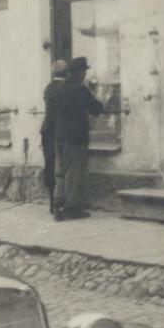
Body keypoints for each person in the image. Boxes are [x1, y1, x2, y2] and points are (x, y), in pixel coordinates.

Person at [52, 56, 104, 220]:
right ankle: (72, 209)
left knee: (60, 173)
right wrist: (91, 90)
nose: (85, 74)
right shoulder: (79, 89)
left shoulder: (60, 88)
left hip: (59, 136)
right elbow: (97, 107)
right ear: (78, 72)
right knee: (73, 174)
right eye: (84, 71)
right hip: (75, 138)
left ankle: (57, 207)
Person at [39, 59, 67, 215]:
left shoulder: (48, 87)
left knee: (49, 165)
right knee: (62, 167)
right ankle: (60, 203)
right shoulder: (64, 87)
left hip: (46, 131)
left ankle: (52, 202)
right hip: (58, 131)